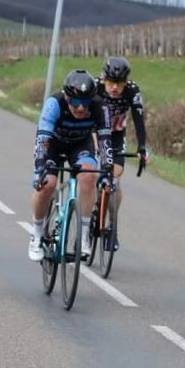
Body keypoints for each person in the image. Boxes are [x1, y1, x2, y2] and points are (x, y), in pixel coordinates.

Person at [28, 69, 113, 262]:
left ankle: (83, 238)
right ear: (66, 97)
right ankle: (37, 233)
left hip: (80, 145)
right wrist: (39, 169)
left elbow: (105, 140)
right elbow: (42, 139)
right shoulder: (54, 104)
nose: (81, 108)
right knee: (47, 184)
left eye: (85, 102)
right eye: (75, 102)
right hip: (54, 145)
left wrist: (107, 171)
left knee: (89, 176)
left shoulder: (101, 107)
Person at [95, 56, 148, 250]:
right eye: (111, 83)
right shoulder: (95, 87)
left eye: (120, 83)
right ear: (103, 79)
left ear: (126, 82)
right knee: (91, 171)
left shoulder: (132, 91)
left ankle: (112, 227)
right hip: (93, 133)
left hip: (116, 135)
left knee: (114, 181)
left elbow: (139, 120)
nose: (115, 88)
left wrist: (142, 147)